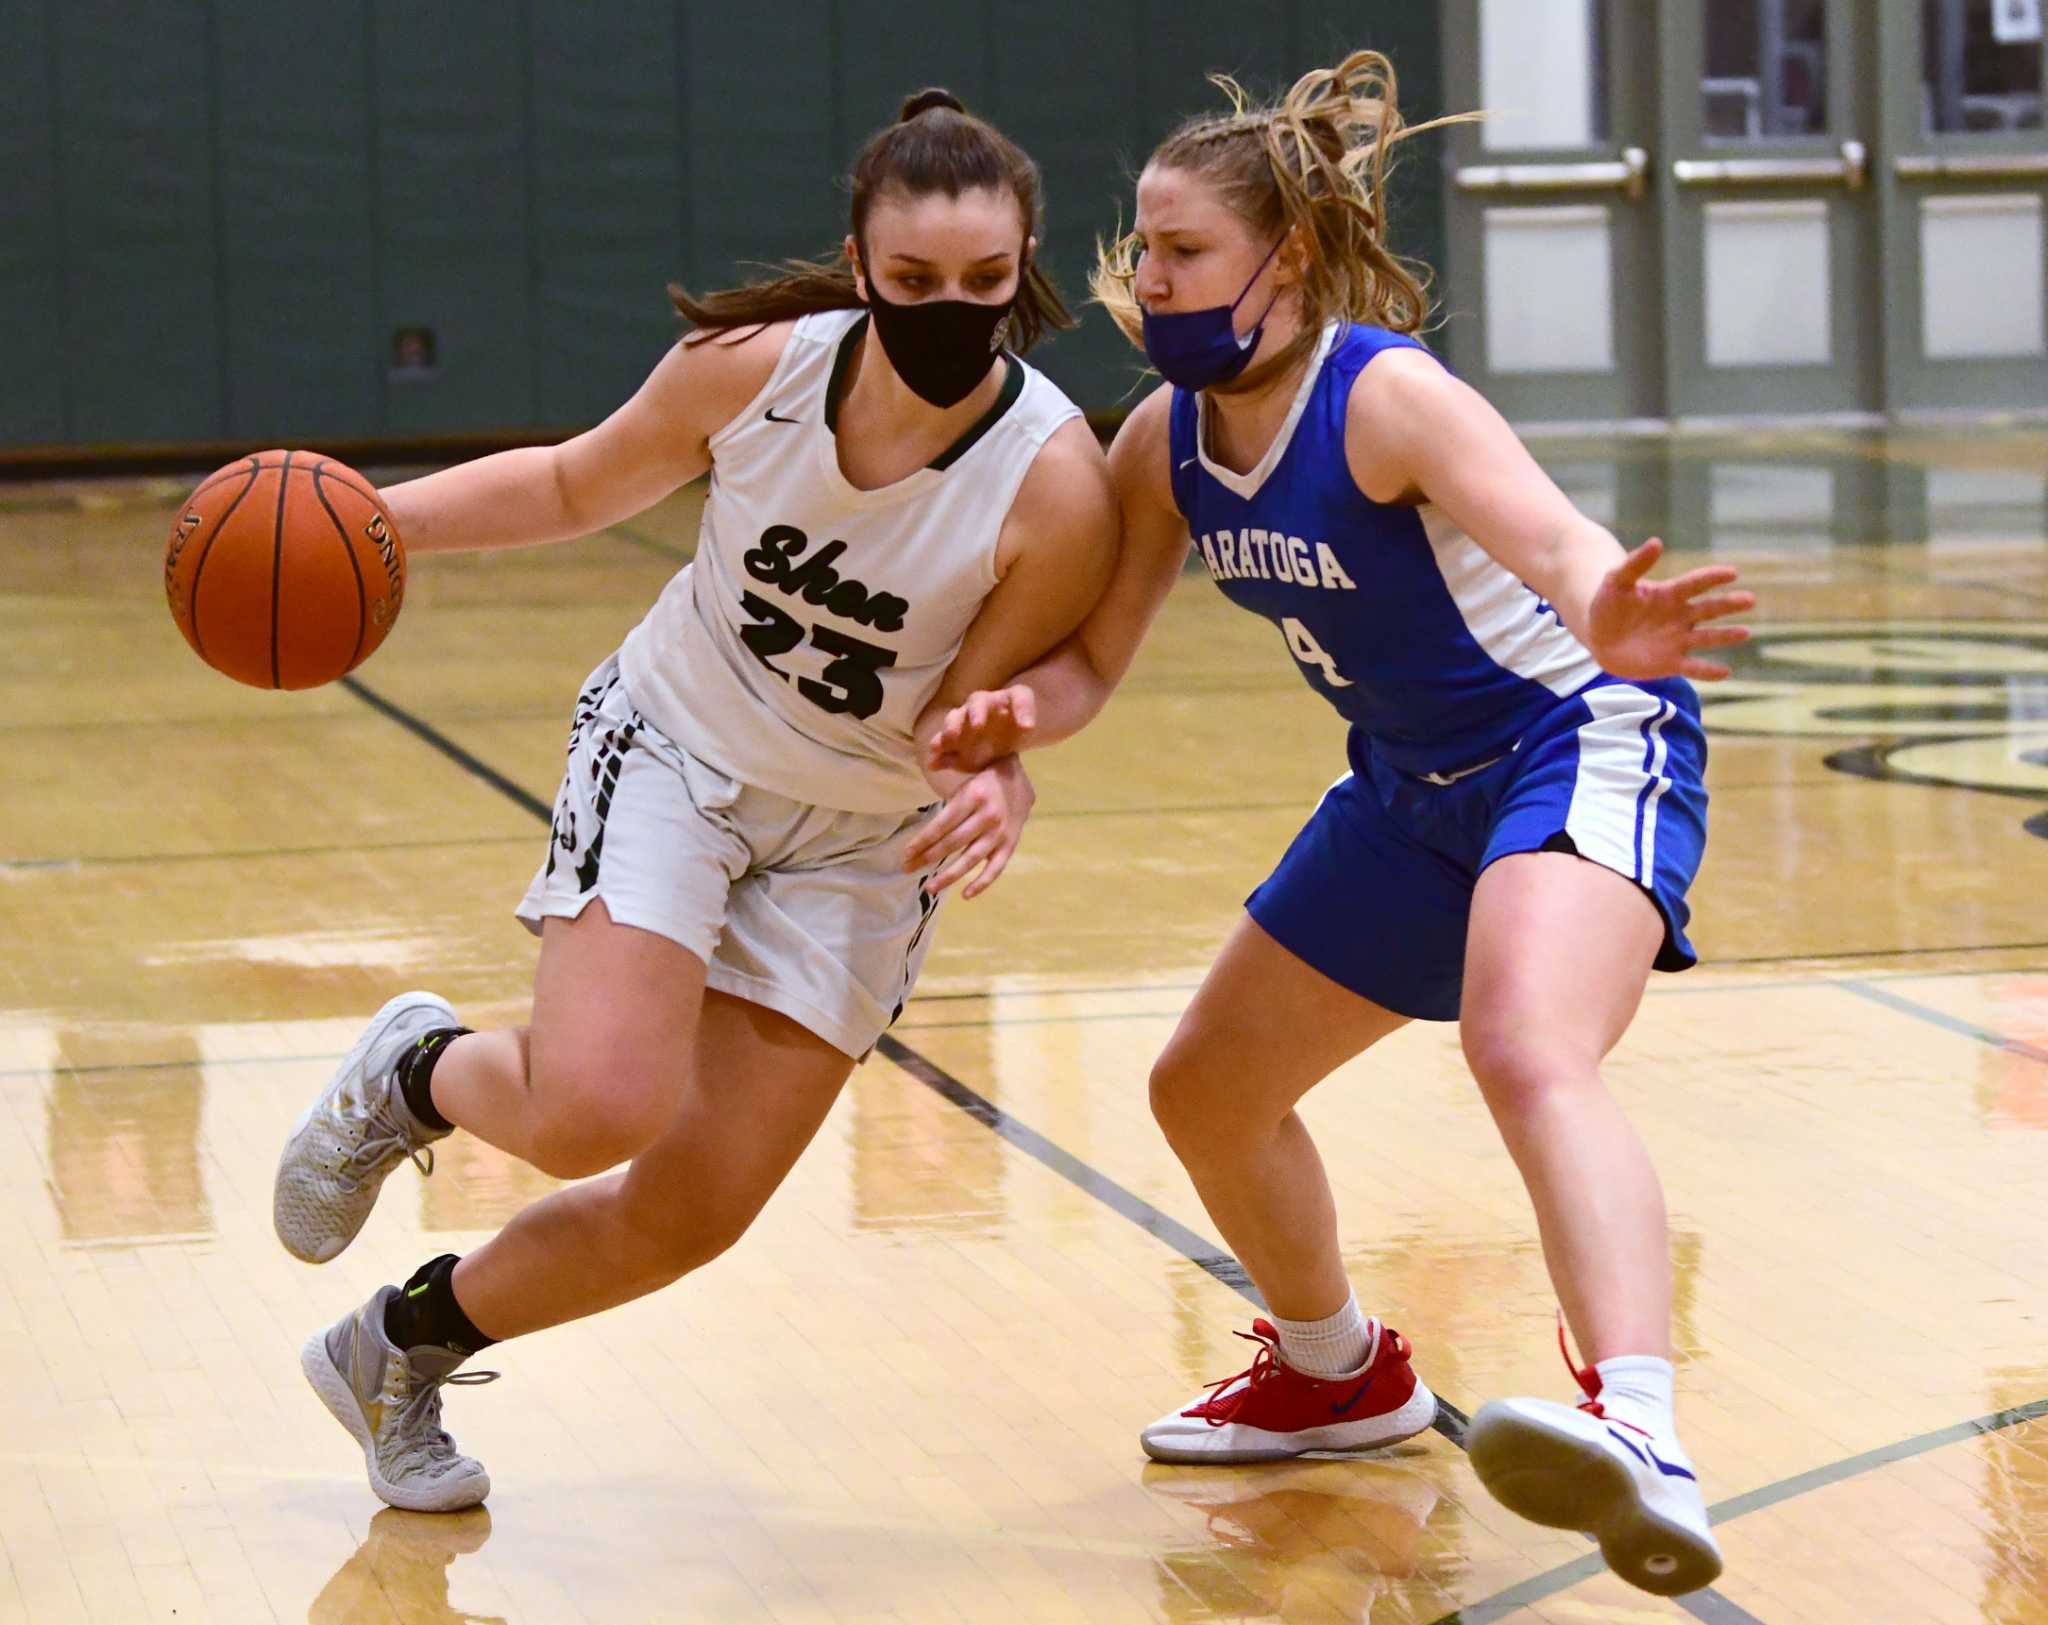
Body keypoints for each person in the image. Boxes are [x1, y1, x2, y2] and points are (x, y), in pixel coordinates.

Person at [919, 51, 1751, 1598]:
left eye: (1184, 253)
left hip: (1575, 738)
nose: (1150, 277)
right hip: (1407, 785)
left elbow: (1558, 541)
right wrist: (1012, 723)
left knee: (1524, 1043)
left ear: (1283, 262)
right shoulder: (1163, 440)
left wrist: (1609, 607)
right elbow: (1094, 660)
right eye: (1145, 249)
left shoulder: (1386, 396)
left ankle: (1642, 1424)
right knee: (1205, 1091)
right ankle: (1335, 1372)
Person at [272, 89, 1116, 1513]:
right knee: (593, 1106)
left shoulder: (1054, 483)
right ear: (859, 268)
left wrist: (999, 769)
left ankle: (395, 1348)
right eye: (915, 284)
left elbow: (974, 712)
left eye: (985, 285)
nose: (951, 312)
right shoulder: (753, 370)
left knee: (691, 1211)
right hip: (676, 748)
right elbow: (566, 483)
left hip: (858, 837)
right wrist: (371, 516)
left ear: (1021, 273)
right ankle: (413, 1070)